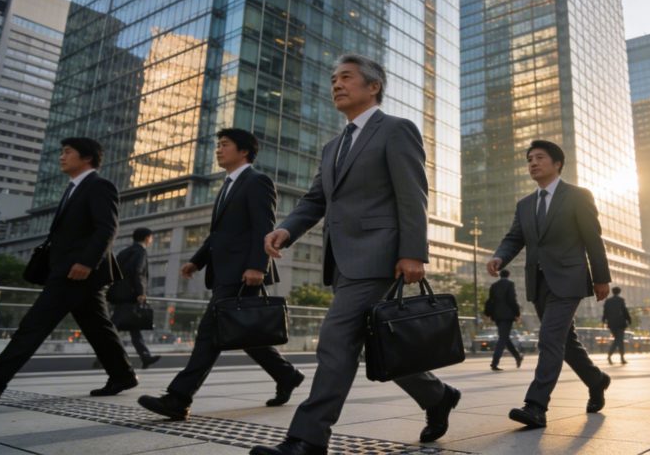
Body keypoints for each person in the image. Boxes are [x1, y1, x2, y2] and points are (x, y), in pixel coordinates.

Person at [252, 55, 460, 455]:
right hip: (344, 262)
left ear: (373, 86)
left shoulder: (396, 130)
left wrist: (413, 253)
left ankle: (307, 439)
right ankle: (437, 396)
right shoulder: (333, 146)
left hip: (381, 257)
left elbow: (413, 195)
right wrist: (286, 228)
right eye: (333, 79)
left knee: (334, 340)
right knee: (374, 344)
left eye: (346, 77)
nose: (336, 84)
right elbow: (316, 199)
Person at [138, 129, 304, 421]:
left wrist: (257, 265)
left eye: (224, 145)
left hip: (244, 273)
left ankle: (178, 398)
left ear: (243, 151)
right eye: (218, 145)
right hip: (227, 271)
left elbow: (262, 226)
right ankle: (286, 375)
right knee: (244, 334)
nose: (218, 150)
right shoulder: (228, 185)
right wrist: (197, 261)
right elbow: (220, 234)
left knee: (210, 335)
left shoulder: (257, 181)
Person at [0, 138, 137, 405]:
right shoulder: (72, 189)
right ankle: (123, 374)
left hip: (77, 271)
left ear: (87, 158)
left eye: (67, 152)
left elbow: (107, 227)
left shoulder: (99, 186)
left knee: (34, 325)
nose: (61, 157)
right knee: (97, 327)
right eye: (61, 152)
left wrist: (85, 262)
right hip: (69, 270)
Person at [487, 140, 613, 429]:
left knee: (549, 339)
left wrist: (601, 277)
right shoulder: (525, 204)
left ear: (557, 163)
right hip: (539, 282)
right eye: (529, 158)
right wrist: (499, 257)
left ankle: (536, 406)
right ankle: (597, 380)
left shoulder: (578, 196)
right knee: (565, 343)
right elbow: (514, 238)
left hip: (569, 279)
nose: (532, 163)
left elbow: (593, 238)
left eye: (539, 157)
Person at [114, 227, 161, 368]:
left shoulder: (123, 252)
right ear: (147, 238)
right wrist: (141, 292)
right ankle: (103, 357)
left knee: (133, 326)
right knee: (112, 328)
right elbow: (138, 272)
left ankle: (145, 357)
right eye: (151, 238)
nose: (151, 240)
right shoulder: (141, 252)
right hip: (132, 295)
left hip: (119, 294)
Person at [485, 268, 523, 371]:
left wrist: (488, 314)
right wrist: (517, 313)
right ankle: (494, 363)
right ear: (508, 275)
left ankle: (517, 356)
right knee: (503, 338)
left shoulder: (494, 285)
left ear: (500, 275)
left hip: (497, 316)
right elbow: (512, 299)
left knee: (504, 337)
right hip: (507, 316)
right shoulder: (510, 284)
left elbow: (490, 300)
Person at [602, 286, 632, 365]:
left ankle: (611, 356)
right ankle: (619, 357)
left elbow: (605, 312)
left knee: (617, 340)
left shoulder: (608, 301)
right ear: (619, 292)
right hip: (620, 323)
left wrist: (604, 320)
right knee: (619, 340)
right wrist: (629, 319)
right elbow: (625, 311)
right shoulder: (621, 300)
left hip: (611, 324)